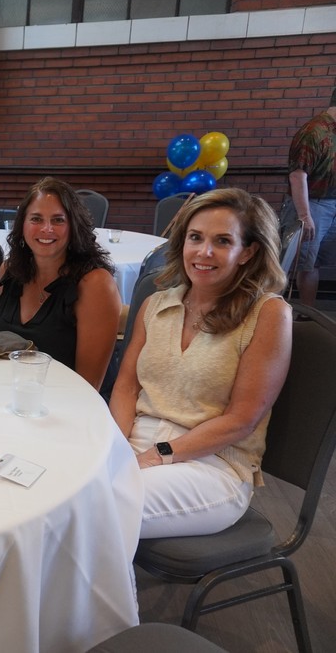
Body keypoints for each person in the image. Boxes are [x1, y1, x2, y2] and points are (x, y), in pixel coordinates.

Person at [110, 188, 292, 539]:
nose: (204, 252)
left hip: (213, 463)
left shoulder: (268, 314)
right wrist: (115, 449)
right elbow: (126, 387)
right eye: (195, 237)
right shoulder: (155, 305)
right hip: (135, 439)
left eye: (223, 241)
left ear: (248, 252)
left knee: (95, 508)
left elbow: (241, 421)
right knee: (59, 491)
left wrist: (157, 455)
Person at [0, 177, 121, 390]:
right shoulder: (9, 271)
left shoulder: (95, 284)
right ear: (22, 225)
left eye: (58, 220)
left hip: (74, 400)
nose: (47, 229)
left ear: (74, 227)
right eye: (36, 219)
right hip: (15, 393)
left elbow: (89, 386)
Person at [282, 87, 336, 308]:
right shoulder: (313, 132)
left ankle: (307, 312)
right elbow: (297, 175)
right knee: (297, 262)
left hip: (331, 203)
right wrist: (305, 216)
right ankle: (272, 312)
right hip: (311, 204)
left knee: (314, 263)